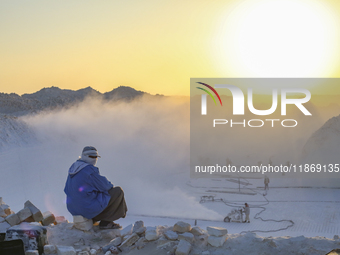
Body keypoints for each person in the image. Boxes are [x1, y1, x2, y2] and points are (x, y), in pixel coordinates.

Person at [64, 146, 127, 229]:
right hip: (86, 208)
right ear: (84, 156)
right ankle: (106, 221)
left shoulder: (74, 168)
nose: (94, 159)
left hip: (73, 208)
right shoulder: (89, 170)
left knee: (99, 195)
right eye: (91, 156)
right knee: (118, 192)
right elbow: (106, 186)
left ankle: (93, 218)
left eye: (96, 157)